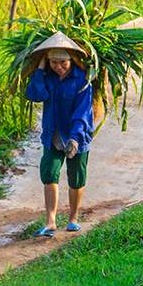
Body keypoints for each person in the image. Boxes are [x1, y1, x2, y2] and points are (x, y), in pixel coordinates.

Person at [24, 44, 93, 238]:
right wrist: (39, 69)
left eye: (63, 62)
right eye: (53, 62)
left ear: (71, 60)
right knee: (49, 174)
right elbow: (35, 95)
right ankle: (50, 222)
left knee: (76, 177)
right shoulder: (47, 77)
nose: (59, 67)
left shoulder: (82, 79)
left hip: (77, 135)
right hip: (53, 134)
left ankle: (73, 219)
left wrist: (75, 138)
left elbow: (82, 112)